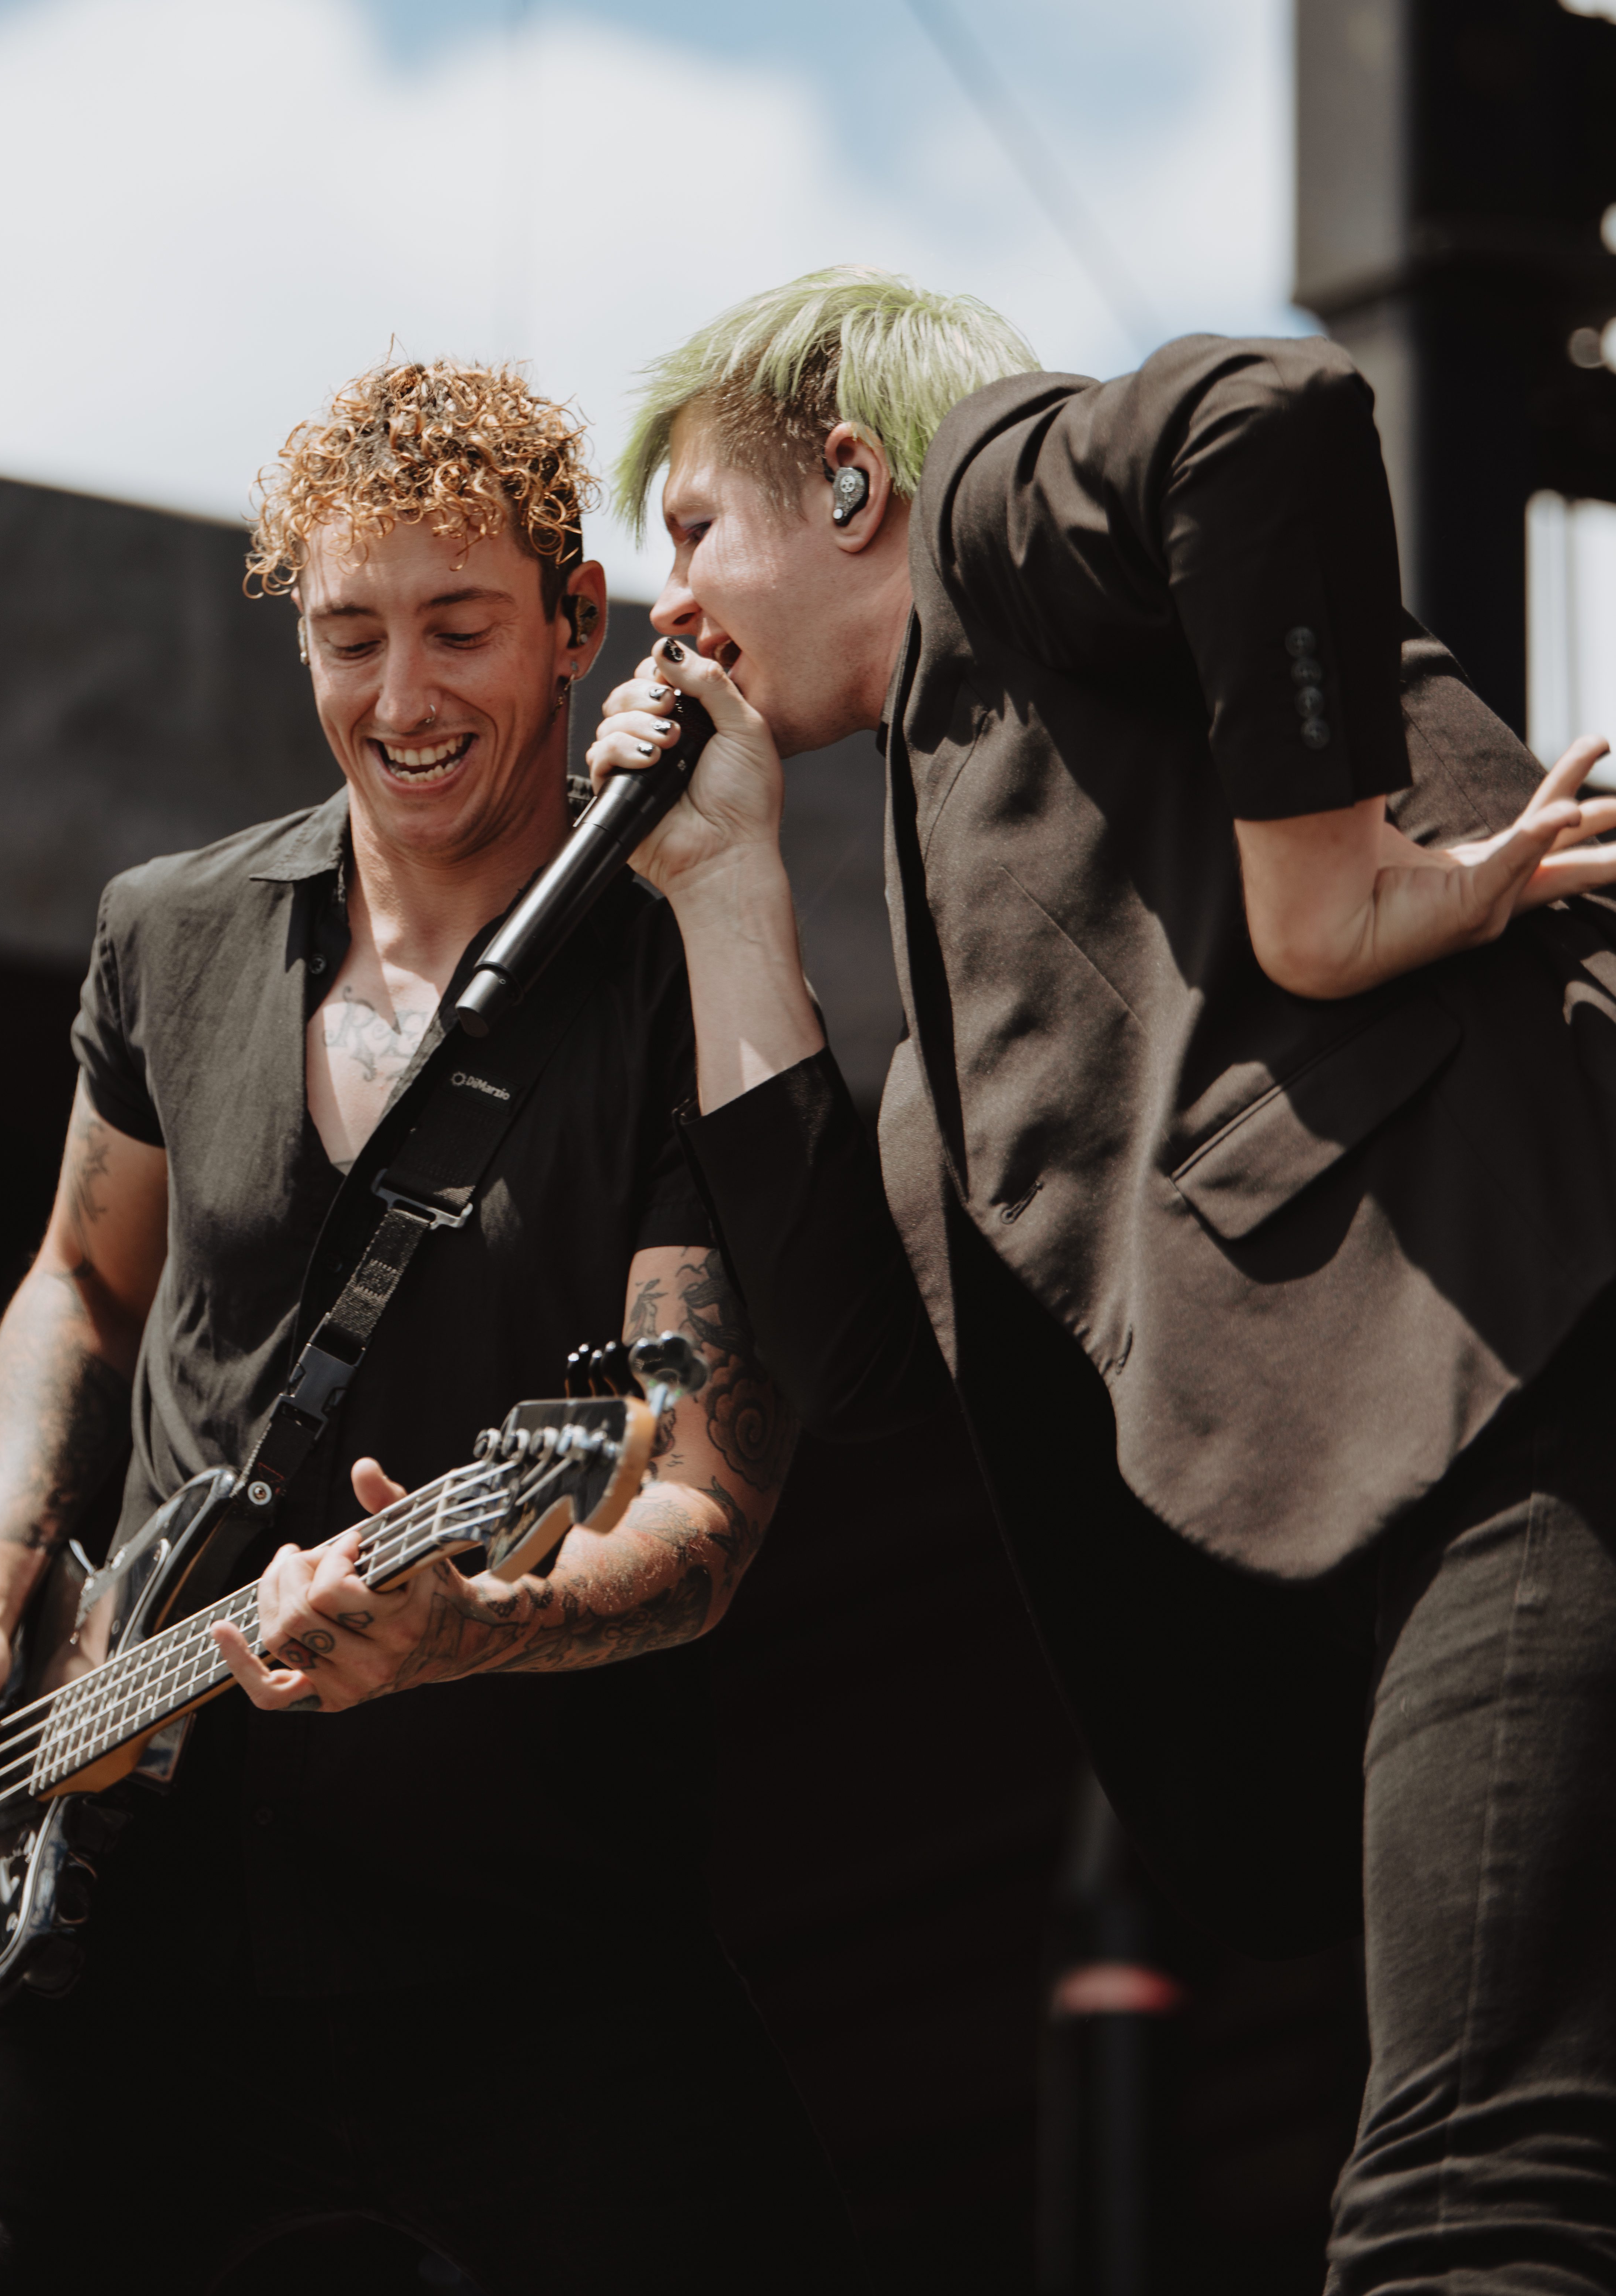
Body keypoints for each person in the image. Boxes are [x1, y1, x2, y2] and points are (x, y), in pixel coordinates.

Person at [587, 266, 1616, 2292]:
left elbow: (1263, 414)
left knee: (1463, 2191)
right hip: (1463, 1452)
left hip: (1544, 1354)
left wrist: (1317, 887)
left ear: (852, 484)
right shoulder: (965, 1038)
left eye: (693, 527)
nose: (667, 605)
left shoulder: (992, 506)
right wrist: (717, 884)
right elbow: (865, 1368)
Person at [0, 354, 868, 2296]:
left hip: (533, 1946)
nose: (400, 699)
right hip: (120, 1923)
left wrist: (481, 1627)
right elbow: (79, 1281)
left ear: (577, 622)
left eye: (459, 628)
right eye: (349, 635)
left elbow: (702, 1505)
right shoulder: (172, 930)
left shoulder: (687, 993)